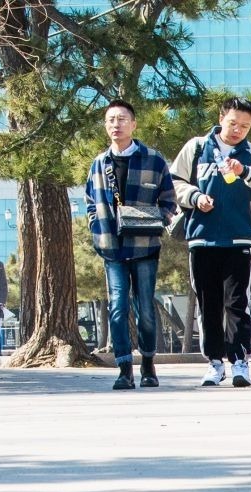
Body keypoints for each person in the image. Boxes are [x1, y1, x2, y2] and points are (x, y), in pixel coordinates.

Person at [169, 96, 251, 388]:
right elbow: (174, 182)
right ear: (221, 118)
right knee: (208, 303)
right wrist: (195, 197)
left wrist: (244, 171)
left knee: (237, 303)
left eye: (245, 126)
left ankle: (240, 361)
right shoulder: (196, 147)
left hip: (239, 238)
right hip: (202, 239)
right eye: (233, 123)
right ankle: (214, 362)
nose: (237, 130)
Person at [86, 98, 178, 389]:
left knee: (145, 309)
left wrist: (157, 219)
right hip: (111, 247)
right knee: (117, 307)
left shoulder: (153, 159)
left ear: (134, 124)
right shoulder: (99, 164)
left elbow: (169, 200)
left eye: (122, 119)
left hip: (145, 246)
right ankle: (124, 368)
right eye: (111, 119)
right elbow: (90, 202)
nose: (116, 124)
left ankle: (148, 363)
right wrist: (95, 226)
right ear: (105, 125)